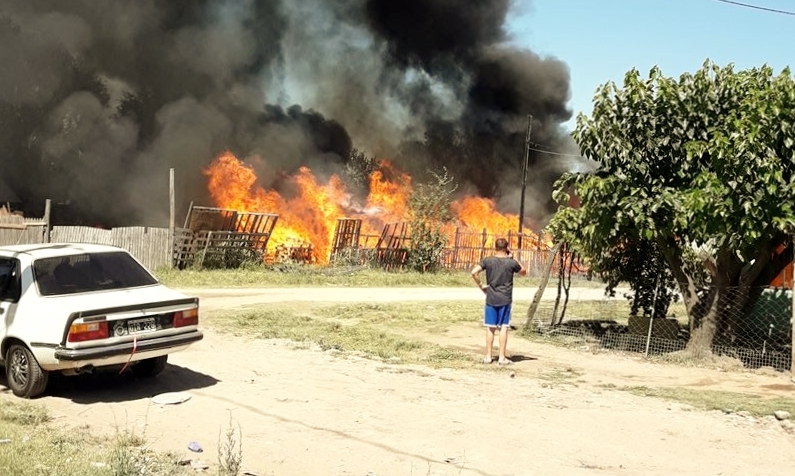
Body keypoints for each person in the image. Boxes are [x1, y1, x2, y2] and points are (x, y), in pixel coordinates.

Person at [470, 238, 527, 365]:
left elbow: (474, 272)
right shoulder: (511, 263)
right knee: (503, 328)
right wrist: (513, 257)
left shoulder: (487, 261)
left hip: (491, 298)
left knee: (490, 328)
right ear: (507, 248)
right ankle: (501, 357)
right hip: (505, 299)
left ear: (494, 247)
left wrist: (481, 286)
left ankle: (488, 357)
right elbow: (524, 272)